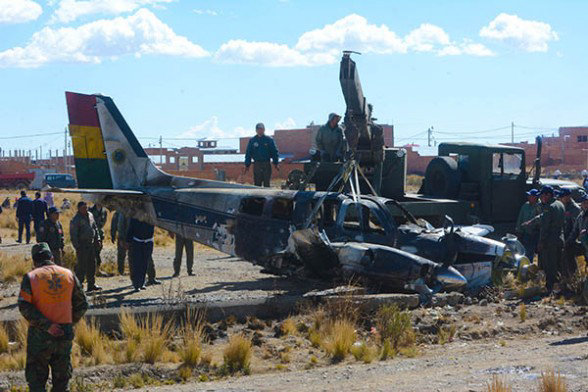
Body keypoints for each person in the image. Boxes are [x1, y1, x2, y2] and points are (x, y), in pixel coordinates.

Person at [18, 242, 88, 392]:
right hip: (64, 336)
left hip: (40, 338)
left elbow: (24, 306)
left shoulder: (31, 277)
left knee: (37, 383)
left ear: (34, 261)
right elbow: (82, 304)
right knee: (62, 383)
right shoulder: (68, 275)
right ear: (51, 257)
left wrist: (48, 326)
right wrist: (69, 322)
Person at [535, 185, 565, 294]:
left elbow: (545, 227)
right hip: (560, 238)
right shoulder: (560, 204)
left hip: (550, 241)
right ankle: (561, 286)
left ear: (548, 195)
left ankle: (550, 288)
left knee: (550, 265)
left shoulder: (549, 207)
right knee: (559, 264)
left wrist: (541, 242)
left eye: (543, 195)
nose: (541, 198)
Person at [70, 201, 101, 292]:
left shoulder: (90, 215)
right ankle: (78, 286)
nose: (85, 209)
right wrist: (77, 247)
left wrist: (98, 239)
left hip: (91, 244)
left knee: (92, 264)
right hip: (82, 245)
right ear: (79, 209)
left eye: (86, 207)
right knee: (81, 267)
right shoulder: (76, 219)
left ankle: (91, 284)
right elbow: (73, 234)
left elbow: (95, 228)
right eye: (83, 208)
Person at [244, 122, 279, 187]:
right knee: (257, 183)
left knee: (266, 183)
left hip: (266, 164)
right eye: (258, 129)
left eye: (261, 129)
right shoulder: (252, 140)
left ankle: (267, 196)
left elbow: (274, 152)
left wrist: (276, 163)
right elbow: (248, 153)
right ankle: (257, 197)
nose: (260, 131)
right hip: (257, 164)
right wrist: (247, 165)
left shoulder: (269, 139)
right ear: (256, 130)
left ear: (264, 130)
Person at [126, 218, 155, 292]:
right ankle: (136, 284)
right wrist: (128, 241)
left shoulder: (151, 214)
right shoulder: (136, 215)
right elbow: (131, 228)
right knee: (136, 263)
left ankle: (141, 283)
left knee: (144, 263)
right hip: (137, 241)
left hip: (148, 241)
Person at [559, 188, 581, 278]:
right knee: (564, 259)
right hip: (564, 237)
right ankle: (566, 278)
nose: (560, 198)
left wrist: (570, 240)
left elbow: (576, 227)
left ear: (568, 197)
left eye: (562, 197)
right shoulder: (563, 206)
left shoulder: (574, 209)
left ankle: (575, 278)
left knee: (570, 258)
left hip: (571, 238)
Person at [515, 189, 541, 260]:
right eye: (528, 196)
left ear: (535, 197)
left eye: (530, 196)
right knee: (526, 252)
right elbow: (520, 218)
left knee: (536, 253)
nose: (528, 197)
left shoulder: (540, 206)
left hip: (536, 234)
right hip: (527, 233)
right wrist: (519, 230)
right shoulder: (525, 206)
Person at [89, 203, 107, 275]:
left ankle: (97, 270)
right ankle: (91, 271)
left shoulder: (104, 211)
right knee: (92, 253)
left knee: (98, 252)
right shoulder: (90, 210)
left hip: (100, 233)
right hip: (92, 235)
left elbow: (104, 221)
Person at [110, 211, 129, 275]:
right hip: (123, 237)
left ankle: (122, 270)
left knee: (126, 255)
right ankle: (121, 271)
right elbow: (114, 224)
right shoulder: (118, 213)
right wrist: (113, 235)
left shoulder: (132, 211)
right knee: (121, 255)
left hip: (129, 236)